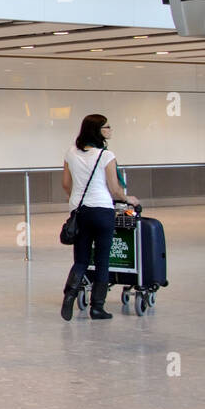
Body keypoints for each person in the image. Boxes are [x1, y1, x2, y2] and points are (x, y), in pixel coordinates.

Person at [61, 114, 139, 321]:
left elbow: (66, 185)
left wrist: (77, 201)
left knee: (81, 260)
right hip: (103, 211)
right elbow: (114, 189)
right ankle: (97, 308)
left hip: (80, 211)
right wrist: (128, 198)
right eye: (107, 127)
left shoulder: (70, 153)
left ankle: (70, 295)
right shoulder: (106, 156)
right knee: (102, 261)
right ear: (98, 131)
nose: (111, 130)